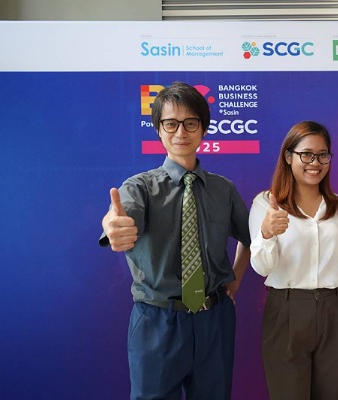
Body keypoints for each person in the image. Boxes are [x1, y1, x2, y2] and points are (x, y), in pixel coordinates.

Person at [99, 81, 251, 400]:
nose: (181, 132)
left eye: (190, 123)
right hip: (157, 321)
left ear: (203, 128)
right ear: (159, 129)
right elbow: (120, 218)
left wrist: (235, 281)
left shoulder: (223, 189)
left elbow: (249, 239)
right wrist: (113, 226)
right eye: (171, 123)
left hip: (214, 319)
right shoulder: (139, 188)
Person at [249, 121, 338, 400]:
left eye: (323, 155)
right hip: (287, 310)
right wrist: (267, 233)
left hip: (337, 308)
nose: (315, 163)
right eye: (306, 154)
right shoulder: (266, 204)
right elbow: (262, 267)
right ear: (288, 156)